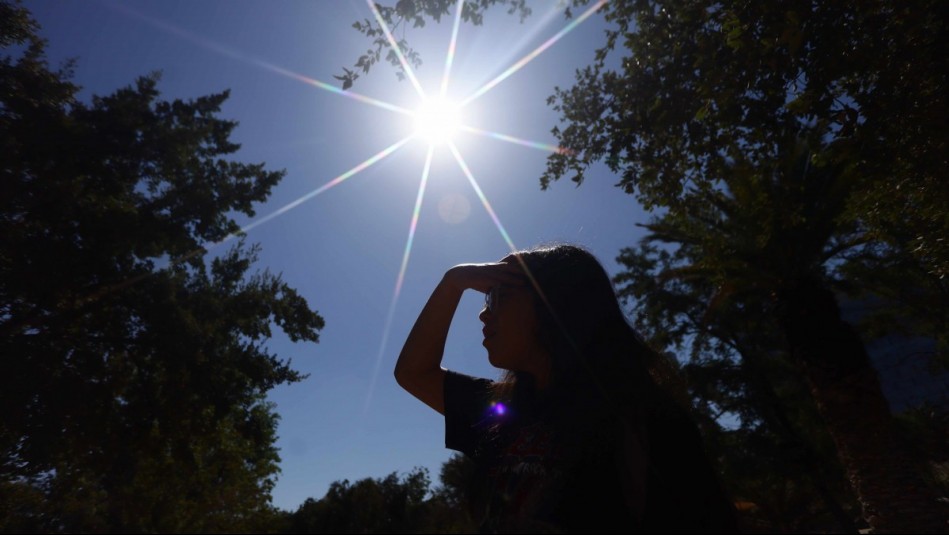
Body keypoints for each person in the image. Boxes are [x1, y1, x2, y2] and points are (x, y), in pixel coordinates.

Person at [395, 244, 738, 533]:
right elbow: (413, 372)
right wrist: (453, 281)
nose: (484, 315)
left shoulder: (645, 421)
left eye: (499, 297)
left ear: (554, 303)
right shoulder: (499, 412)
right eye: (486, 300)